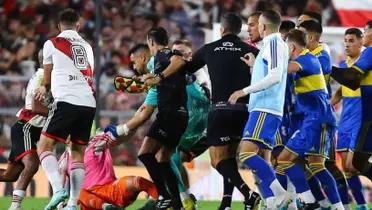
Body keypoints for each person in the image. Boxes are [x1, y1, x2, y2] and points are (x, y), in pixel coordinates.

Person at [145, 13, 261, 210]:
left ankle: (248, 194)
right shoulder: (250, 49)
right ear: (239, 30)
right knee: (229, 157)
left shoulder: (209, 49)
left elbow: (184, 69)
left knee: (218, 161)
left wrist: (159, 75)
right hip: (244, 111)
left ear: (222, 29)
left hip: (221, 110)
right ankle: (226, 203)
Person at [275, 29, 345, 210]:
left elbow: (285, 69)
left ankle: (309, 202)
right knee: (316, 166)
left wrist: (263, 61)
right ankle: (337, 208)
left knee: (284, 159)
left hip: (316, 119)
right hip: (319, 118)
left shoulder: (306, 59)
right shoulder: (309, 59)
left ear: (291, 47)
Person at [35, 8, 96, 210]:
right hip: (88, 102)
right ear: (78, 26)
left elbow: (47, 76)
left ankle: (58, 189)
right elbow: (89, 73)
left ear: (59, 26)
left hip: (66, 100)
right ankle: (72, 203)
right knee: (78, 151)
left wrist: (45, 88)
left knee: (44, 146)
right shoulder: (87, 46)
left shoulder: (51, 43)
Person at [228, 10, 289, 209]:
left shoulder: (273, 42)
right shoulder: (272, 46)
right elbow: (269, 73)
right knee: (261, 160)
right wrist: (254, 67)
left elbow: (275, 76)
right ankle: (272, 201)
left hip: (266, 108)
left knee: (246, 154)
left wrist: (243, 91)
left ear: (263, 27)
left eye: (257, 25)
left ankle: (280, 193)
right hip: (264, 108)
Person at [58, 133, 158, 210]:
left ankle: (157, 200)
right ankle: (106, 207)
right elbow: (63, 190)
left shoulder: (96, 142)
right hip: (90, 200)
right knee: (79, 192)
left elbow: (121, 135)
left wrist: (130, 127)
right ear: (66, 139)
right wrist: (61, 203)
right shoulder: (64, 160)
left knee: (137, 181)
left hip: (112, 189)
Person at [3, 50, 49, 210]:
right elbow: (35, 108)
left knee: (10, 175)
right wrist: (59, 113)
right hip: (27, 127)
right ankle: (15, 206)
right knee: (32, 164)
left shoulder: (46, 76)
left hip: (31, 129)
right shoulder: (43, 78)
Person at [331, 28, 368, 210]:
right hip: (344, 121)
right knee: (346, 169)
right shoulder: (343, 65)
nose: (347, 43)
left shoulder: (365, 63)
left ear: (361, 42)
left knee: (352, 165)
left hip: (361, 120)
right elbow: (342, 89)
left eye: (351, 40)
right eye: (345, 40)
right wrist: (331, 103)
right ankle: (360, 205)